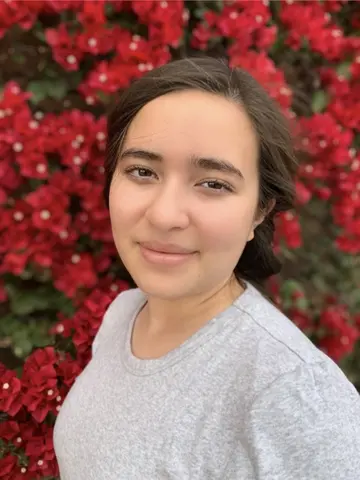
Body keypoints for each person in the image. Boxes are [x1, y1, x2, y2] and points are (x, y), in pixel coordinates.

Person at [53, 57, 360, 479]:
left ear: (259, 211)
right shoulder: (124, 315)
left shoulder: (294, 394)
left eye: (213, 183)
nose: (164, 215)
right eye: (142, 171)